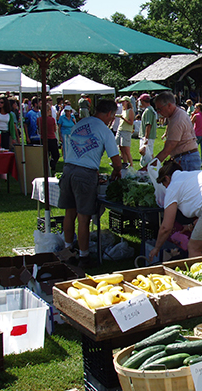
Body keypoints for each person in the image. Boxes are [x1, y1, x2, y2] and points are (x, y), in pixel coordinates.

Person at [58, 100, 122, 267]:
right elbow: (116, 161)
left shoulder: (79, 124)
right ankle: (84, 256)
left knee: (69, 214)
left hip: (68, 169)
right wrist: (117, 171)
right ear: (109, 114)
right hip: (84, 174)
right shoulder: (104, 130)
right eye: (113, 116)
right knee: (83, 217)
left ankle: (68, 249)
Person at [152, 91, 201, 171]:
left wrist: (147, 168)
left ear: (169, 105)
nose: (158, 112)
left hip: (186, 160)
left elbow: (167, 150)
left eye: (159, 109)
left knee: (184, 183)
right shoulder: (178, 114)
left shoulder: (177, 119)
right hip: (188, 157)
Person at [115, 96, 135, 168]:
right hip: (120, 129)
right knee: (121, 148)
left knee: (126, 149)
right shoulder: (123, 111)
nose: (122, 103)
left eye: (123, 101)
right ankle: (125, 164)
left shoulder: (130, 111)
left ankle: (131, 165)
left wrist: (123, 118)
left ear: (127, 102)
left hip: (126, 131)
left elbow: (131, 122)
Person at [138, 94, 157, 166]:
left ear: (142, 101)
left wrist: (146, 138)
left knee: (146, 155)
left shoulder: (148, 111)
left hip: (147, 137)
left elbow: (148, 125)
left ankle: (147, 170)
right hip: (149, 136)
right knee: (149, 154)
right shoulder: (150, 109)